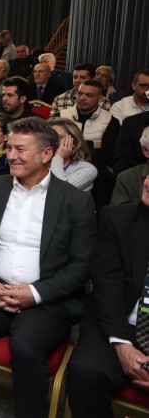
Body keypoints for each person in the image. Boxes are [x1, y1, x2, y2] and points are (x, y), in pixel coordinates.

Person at [0, 117, 95, 418]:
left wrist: (35, 293)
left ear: (46, 154)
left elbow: (82, 265)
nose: (11, 156)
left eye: (20, 150)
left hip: (47, 298)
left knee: (26, 348)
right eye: (10, 148)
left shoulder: (75, 202)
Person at [66, 174, 149, 417]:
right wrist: (122, 346)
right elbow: (107, 285)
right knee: (85, 372)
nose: (147, 183)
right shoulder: (117, 218)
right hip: (120, 322)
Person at [47, 117, 98, 191]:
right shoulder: (39, 163)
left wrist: (58, 157)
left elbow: (60, 191)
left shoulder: (88, 169)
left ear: (74, 142)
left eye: (58, 137)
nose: (51, 140)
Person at [59, 79, 113, 147]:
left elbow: (108, 149)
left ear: (100, 99)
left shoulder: (110, 120)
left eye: (89, 95)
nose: (82, 98)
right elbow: (54, 144)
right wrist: (92, 144)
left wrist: (70, 144)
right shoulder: (61, 116)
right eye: (79, 93)